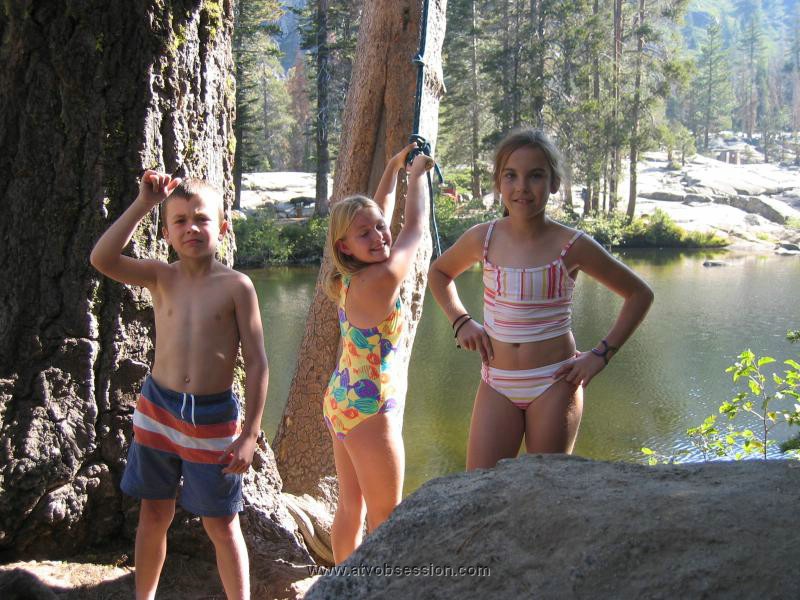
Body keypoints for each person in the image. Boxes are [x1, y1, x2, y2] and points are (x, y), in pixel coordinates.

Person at [428, 128, 654, 470]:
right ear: (498, 182)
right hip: (497, 383)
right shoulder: (483, 239)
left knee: (543, 487)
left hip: (554, 383)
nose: (522, 187)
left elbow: (639, 294)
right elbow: (439, 274)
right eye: (511, 175)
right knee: (479, 487)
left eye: (535, 176)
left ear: (553, 183)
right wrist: (460, 321)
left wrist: (600, 355)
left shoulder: (572, 244)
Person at [90, 173, 268, 600]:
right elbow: (102, 258)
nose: (192, 227)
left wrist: (250, 434)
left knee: (223, 523)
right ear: (168, 233)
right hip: (158, 411)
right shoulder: (159, 277)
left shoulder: (237, 287)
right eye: (181, 221)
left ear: (222, 228)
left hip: (211, 419)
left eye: (202, 219)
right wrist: (143, 204)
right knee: (153, 512)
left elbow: (259, 363)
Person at [322, 142, 432, 563]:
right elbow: (415, 229)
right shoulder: (382, 279)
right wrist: (418, 174)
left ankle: (342, 586)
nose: (378, 236)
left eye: (378, 228)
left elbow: (382, 213)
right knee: (388, 517)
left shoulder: (347, 276)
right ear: (346, 245)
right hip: (370, 410)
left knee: (351, 507)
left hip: (342, 400)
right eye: (364, 234)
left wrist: (392, 167)